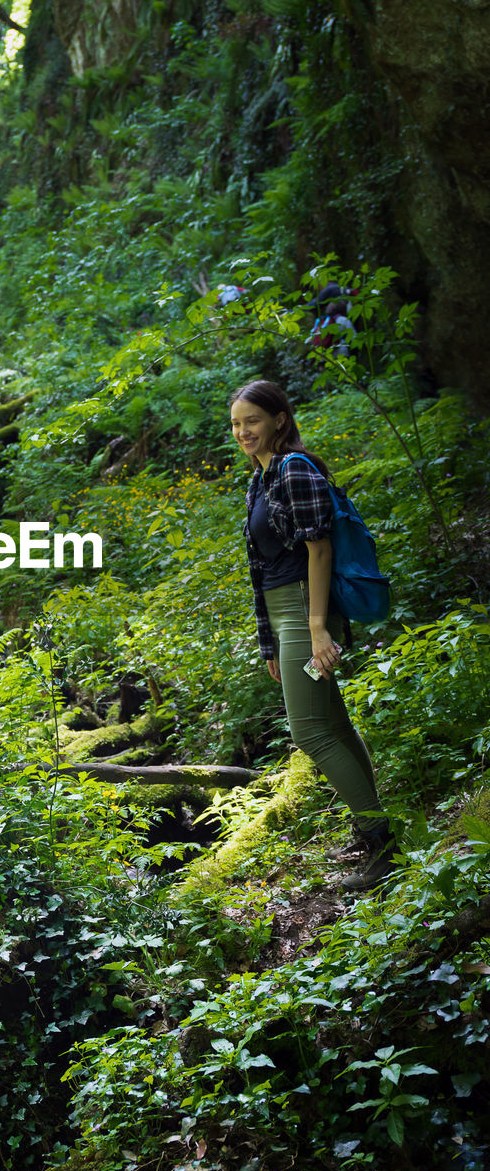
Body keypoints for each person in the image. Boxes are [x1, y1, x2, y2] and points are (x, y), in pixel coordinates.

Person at [229, 379, 398, 890]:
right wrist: (268, 642)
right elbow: (263, 569)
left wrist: (317, 627)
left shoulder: (294, 469)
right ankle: (376, 835)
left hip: (306, 609)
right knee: (335, 723)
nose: (243, 432)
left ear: (279, 419)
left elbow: (318, 550)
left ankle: (379, 842)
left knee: (309, 731)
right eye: (237, 425)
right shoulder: (259, 481)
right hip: (285, 616)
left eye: (252, 421)